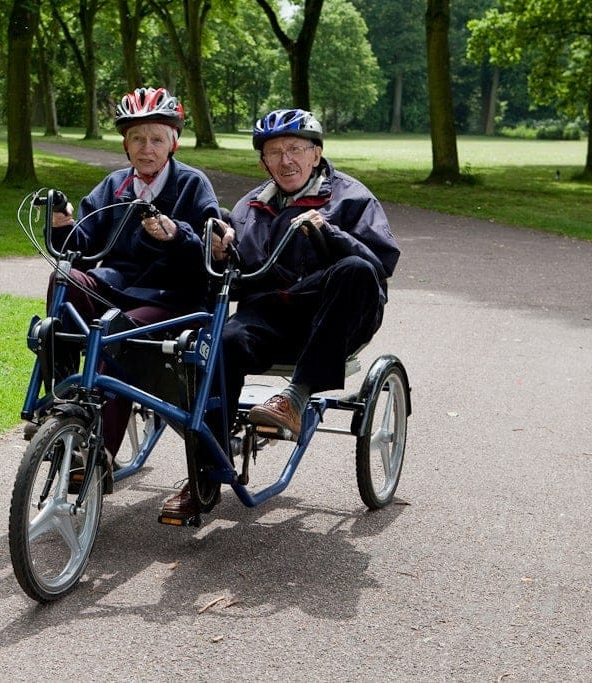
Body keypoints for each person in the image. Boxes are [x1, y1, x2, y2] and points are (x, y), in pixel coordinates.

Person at [160, 108, 401, 519]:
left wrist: (330, 232)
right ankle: (206, 471)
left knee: (354, 268)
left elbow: (380, 264)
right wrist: (221, 253)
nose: (286, 160)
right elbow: (234, 279)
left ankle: (296, 396)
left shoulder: (352, 197)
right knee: (223, 342)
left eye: (295, 149)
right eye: (275, 152)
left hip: (335, 316)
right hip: (272, 315)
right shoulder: (250, 206)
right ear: (263, 162)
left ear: (316, 153)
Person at [44, 86, 221, 473]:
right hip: (116, 287)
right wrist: (63, 225)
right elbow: (82, 245)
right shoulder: (115, 186)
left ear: (173, 143)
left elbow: (213, 251)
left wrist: (176, 234)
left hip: (173, 297)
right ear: (125, 145)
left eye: (156, 139)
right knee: (65, 278)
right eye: (137, 139)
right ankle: (64, 397)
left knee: (117, 335)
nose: (146, 148)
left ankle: (100, 451)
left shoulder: (192, 184)